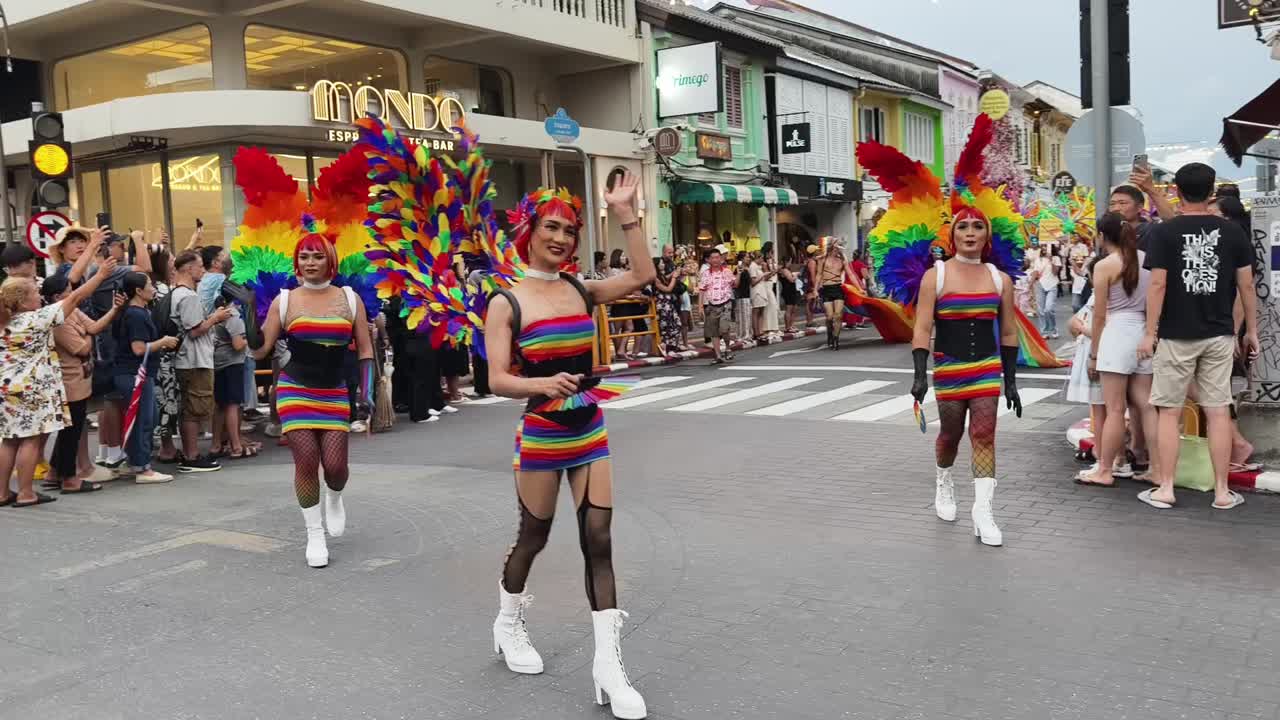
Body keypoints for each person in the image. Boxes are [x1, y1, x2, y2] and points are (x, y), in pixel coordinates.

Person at [484, 176, 651, 719]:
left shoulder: (581, 288)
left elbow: (645, 274)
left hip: (589, 429)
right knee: (533, 537)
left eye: (569, 230)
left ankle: (609, 665)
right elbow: (496, 379)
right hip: (541, 433)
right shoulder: (506, 301)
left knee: (598, 539)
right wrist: (539, 384)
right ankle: (508, 622)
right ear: (529, 231)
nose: (560, 237)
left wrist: (626, 213)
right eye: (550, 226)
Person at [860, 111, 1025, 547]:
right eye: (963, 226)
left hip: (987, 368)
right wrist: (918, 376)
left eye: (977, 226)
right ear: (951, 235)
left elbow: (1008, 333)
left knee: (985, 434)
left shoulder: (998, 279)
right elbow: (922, 329)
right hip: (949, 369)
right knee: (950, 435)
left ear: (988, 234)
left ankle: (983, 511)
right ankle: (943, 481)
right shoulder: (936, 276)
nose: (970, 231)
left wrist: (1011, 381)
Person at [1138, 162, 1258, 511]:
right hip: (1219, 334)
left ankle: (1166, 488)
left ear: (1176, 189)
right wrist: (1249, 330)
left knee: (1169, 412)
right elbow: (1246, 284)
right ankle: (1221, 491)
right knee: (1219, 411)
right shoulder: (1233, 232)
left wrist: (1150, 333)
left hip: (1175, 335)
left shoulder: (1165, 232)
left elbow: (1158, 284)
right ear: (1212, 193)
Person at [253, 233, 375, 568]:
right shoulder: (284, 300)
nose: (310, 263)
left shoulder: (350, 299)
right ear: (297, 261)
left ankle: (334, 496)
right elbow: (261, 348)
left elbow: (365, 350)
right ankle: (314, 533)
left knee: (335, 466)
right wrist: (248, 316)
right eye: (304, 256)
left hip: (334, 390)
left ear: (330, 260)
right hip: (295, 387)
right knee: (306, 458)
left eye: (317, 256)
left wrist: (368, 396)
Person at [0, 245, 117, 508]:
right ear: (21, 301)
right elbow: (74, 299)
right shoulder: (35, 319)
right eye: (33, 294)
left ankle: (3, 492)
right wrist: (99, 276)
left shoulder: (4, 321)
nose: (38, 296)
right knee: (30, 440)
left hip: (6, 387)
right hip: (31, 388)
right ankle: (27, 492)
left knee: (9, 440)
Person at [1077, 213, 1156, 488]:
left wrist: (1094, 354)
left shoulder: (1105, 265)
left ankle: (1105, 470)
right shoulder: (1148, 259)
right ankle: (1155, 466)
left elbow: (1099, 316)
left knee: (1114, 408)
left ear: (1101, 236)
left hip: (1116, 334)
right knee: (1146, 405)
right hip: (1143, 334)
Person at [43, 273, 126, 493]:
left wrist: (114, 310)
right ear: (57, 296)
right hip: (69, 382)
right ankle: (69, 478)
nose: (75, 294)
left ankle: (54, 473)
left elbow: (95, 327)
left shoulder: (73, 311)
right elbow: (81, 348)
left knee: (71, 428)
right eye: (70, 291)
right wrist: (88, 338)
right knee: (70, 431)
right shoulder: (57, 320)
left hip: (81, 379)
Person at [113, 272, 179, 483]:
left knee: (144, 418)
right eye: (149, 285)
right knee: (143, 420)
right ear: (139, 291)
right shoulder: (136, 314)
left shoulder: (138, 312)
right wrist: (163, 341)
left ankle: (134, 461)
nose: (153, 288)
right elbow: (139, 348)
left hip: (136, 374)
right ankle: (142, 468)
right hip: (135, 374)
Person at [170, 250, 232, 473]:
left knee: (191, 407)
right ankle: (192, 456)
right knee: (194, 408)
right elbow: (195, 330)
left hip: (189, 359)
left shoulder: (178, 293)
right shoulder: (187, 296)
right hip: (194, 360)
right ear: (188, 269)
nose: (203, 271)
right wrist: (216, 318)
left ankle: (190, 453)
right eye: (199, 267)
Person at [148, 247, 182, 464]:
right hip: (164, 351)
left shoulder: (154, 287)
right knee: (167, 400)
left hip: (157, 351)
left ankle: (164, 445)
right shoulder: (161, 289)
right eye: (170, 258)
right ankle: (167, 447)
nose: (173, 261)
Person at [698, 248, 737, 364]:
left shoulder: (727, 271)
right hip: (711, 305)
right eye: (713, 258)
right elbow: (701, 290)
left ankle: (727, 347)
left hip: (725, 303)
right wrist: (700, 306)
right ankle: (718, 355)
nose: (715, 260)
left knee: (724, 329)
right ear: (708, 260)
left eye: (717, 257)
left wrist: (738, 273)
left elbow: (735, 284)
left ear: (721, 259)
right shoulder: (705, 274)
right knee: (713, 331)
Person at [817, 240, 853, 349]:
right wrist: (815, 289)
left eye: (840, 248)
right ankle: (829, 331)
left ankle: (835, 338)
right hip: (826, 289)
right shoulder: (822, 259)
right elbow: (819, 274)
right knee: (829, 316)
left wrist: (860, 288)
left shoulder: (842, 260)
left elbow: (850, 274)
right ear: (832, 247)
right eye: (837, 247)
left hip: (838, 288)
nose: (838, 249)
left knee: (838, 316)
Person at [652, 248, 683, 355]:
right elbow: (668, 289)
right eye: (660, 263)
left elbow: (667, 277)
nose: (662, 264)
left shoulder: (662, 276)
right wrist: (674, 277)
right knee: (666, 326)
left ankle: (671, 345)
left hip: (669, 304)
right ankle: (665, 346)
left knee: (677, 324)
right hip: (662, 305)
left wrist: (677, 273)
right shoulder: (655, 278)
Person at [1030, 244, 1060, 339]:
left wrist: (1051, 260)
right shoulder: (1038, 260)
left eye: (1046, 247)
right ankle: (1044, 331)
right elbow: (1035, 272)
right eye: (1042, 246)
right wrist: (1030, 284)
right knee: (1041, 310)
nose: (1044, 249)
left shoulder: (1056, 258)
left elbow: (1055, 272)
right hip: (1040, 285)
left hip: (1052, 285)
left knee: (1049, 309)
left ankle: (1054, 329)